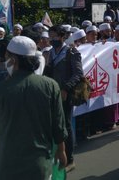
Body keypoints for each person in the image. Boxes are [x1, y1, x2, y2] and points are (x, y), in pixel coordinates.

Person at [0, 36, 67, 179]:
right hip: (39, 165)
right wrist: (61, 151)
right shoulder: (50, 85)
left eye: (6, 57)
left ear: (13, 60)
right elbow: (58, 125)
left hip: (5, 166)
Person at [44, 25, 83, 172]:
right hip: (51, 94)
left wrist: (66, 88)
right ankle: (58, 155)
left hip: (65, 95)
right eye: (50, 36)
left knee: (66, 126)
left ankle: (70, 159)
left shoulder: (71, 52)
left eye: (54, 36)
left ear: (62, 37)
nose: (51, 39)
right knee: (54, 125)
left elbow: (78, 73)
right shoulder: (49, 53)